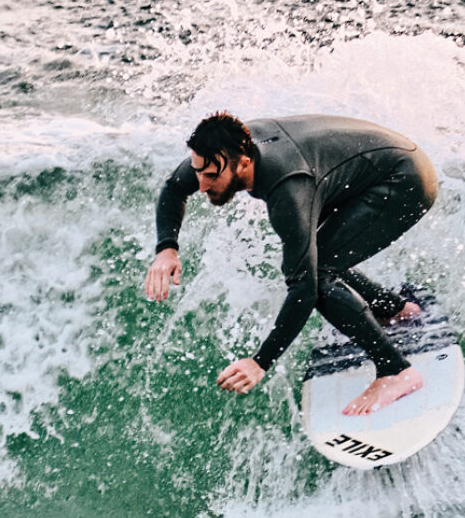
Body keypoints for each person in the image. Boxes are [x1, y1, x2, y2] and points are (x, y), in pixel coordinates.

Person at [143, 112, 438, 416]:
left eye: (210, 177)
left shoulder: (287, 187)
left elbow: (304, 290)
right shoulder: (220, 152)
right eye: (198, 173)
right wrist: (167, 249)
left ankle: (396, 371)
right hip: (369, 169)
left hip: (404, 181)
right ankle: (394, 311)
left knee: (318, 275)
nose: (202, 186)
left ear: (244, 163)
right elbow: (174, 188)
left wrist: (260, 362)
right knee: (319, 257)